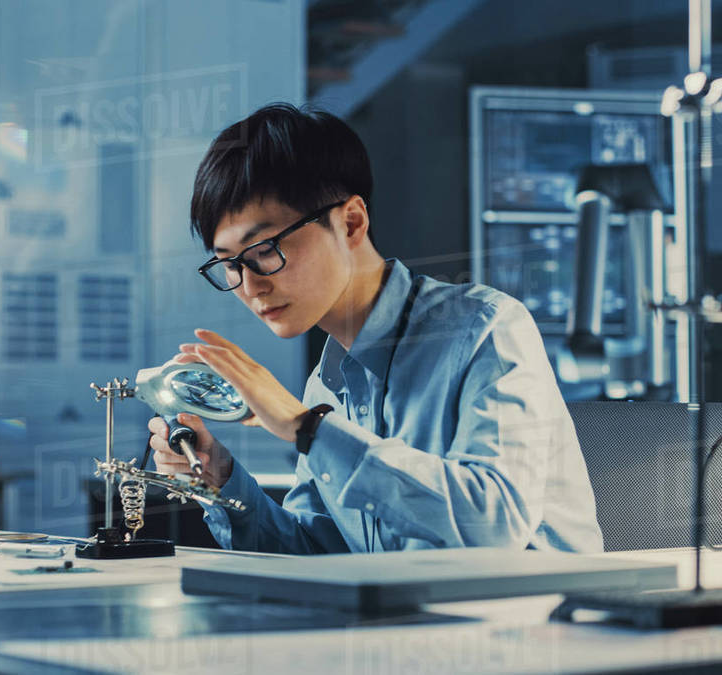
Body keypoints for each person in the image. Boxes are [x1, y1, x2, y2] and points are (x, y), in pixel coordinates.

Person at [149, 103, 602, 554]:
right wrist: (221, 480)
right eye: (228, 263)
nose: (249, 284)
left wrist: (307, 428)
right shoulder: (325, 388)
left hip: (542, 618)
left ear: (350, 222)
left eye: (264, 248)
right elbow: (319, 551)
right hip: (412, 622)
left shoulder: (485, 330)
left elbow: (495, 529)